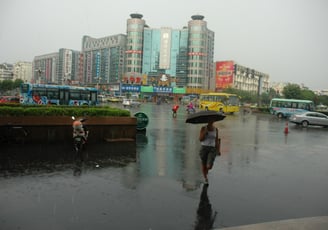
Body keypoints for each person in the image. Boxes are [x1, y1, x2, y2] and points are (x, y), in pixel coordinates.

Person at [199, 118, 221, 184]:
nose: (211, 121)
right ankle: (205, 177)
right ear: (207, 121)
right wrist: (205, 133)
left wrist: (218, 150)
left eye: (212, 120)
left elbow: (216, 140)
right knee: (204, 164)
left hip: (212, 149)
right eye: (209, 120)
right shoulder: (203, 128)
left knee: (209, 166)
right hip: (204, 148)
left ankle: (206, 171)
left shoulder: (216, 129)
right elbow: (200, 139)